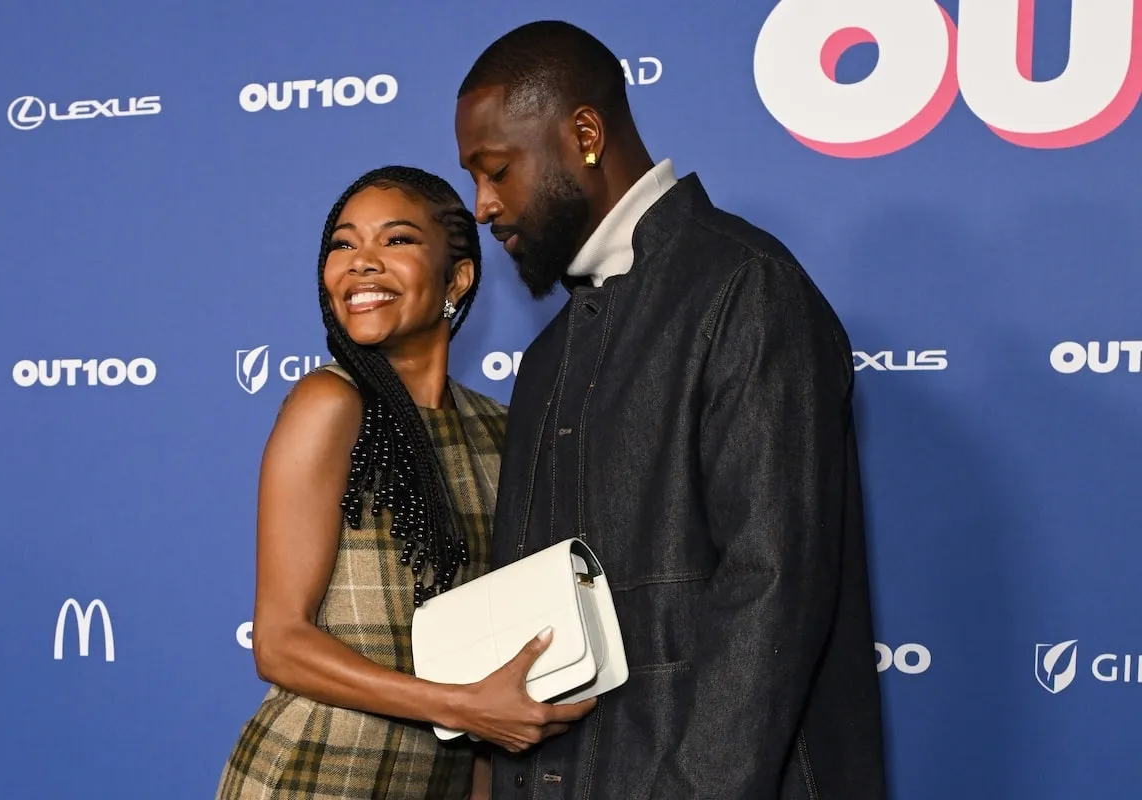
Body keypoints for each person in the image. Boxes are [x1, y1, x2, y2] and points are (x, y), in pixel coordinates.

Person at [453, 21, 887, 800]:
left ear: (584, 133)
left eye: (497, 171)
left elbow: (771, 590)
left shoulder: (745, 289)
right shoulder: (548, 356)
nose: (482, 207)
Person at [215, 165, 595, 800]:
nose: (361, 263)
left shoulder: (499, 428)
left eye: (395, 241)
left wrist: (479, 748)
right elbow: (279, 643)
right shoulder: (331, 402)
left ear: (458, 278)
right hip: (313, 776)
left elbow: (491, 654)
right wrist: (459, 707)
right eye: (343, 244)